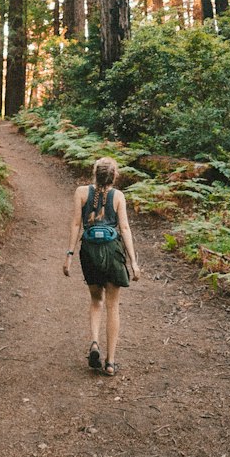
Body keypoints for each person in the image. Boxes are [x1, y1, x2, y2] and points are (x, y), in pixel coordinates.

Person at [63, 156, 140, 377]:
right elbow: (124, 228)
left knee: (96, 300)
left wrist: (69, 255)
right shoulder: (118, 196)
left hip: (89, 252)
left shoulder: (81, 192)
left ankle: (95, 342)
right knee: (112, 306)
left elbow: (76, 224)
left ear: (94, 173)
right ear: (114, 176)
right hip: (112, 253)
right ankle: (110, 362)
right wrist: (133, 262)